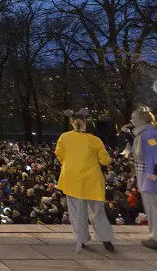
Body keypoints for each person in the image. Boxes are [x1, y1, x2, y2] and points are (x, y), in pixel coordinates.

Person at [55, 108, 115, 253]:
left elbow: (59, 155)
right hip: (92, 181)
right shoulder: (95, 140)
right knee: (97, 212)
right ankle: (106, 239)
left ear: (71, 122)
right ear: (85, 121)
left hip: (71, 179)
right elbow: (106, 161)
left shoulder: (64, 137)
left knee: (76, 213)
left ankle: (81, 240)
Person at [122, 106, 157, 249]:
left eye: (133, 118)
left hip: (150, 178)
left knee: (153, 208)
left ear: (142, 119)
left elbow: (155, 155)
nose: (131, 120)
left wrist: (153, 175)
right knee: (151, 208)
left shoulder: (149, 135)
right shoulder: (141, 135)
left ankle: (155, 237)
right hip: (146, 178)